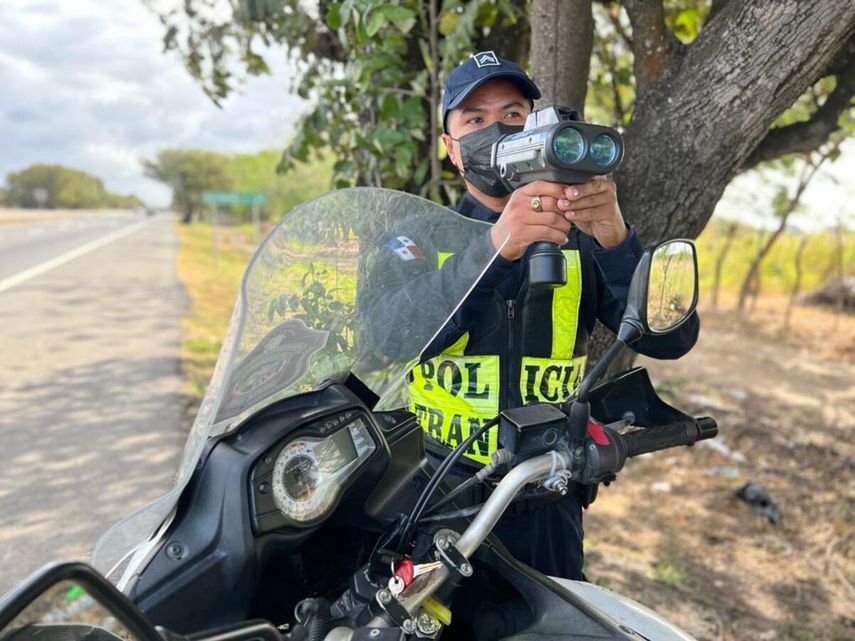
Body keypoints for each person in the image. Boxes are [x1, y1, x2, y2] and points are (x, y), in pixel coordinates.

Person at [364, 52, 699, 580]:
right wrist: (497, 247)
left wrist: (614, 237)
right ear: (451, 149)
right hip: (434, 493)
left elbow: (671, 338)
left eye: (514, 114)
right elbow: (389, 335)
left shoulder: (583, 242)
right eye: (474, 119)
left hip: (548, 498)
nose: (497, 128)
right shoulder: (416, 237)